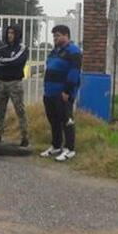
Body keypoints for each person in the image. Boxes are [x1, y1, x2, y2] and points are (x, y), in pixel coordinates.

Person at [41, 25, 82, 162]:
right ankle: (56, 145)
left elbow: (74, 73)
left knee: (66, 120)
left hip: (63, 93)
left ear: (66, 35)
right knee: (54, 120)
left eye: (58, 35)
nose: (55, 38)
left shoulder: (73, 51)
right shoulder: (55, 51)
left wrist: (67, 91)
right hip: (50, 93)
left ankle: (69, 149)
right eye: (54, 36)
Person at [0, 25, 29, 147]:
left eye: (12, 33)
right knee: (0, 110)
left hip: (15, 83)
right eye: (8, 33)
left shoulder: (22, 48)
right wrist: (7, 62)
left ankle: (24, 136)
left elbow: (17, 61)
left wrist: (5, 61)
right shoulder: (3, 48)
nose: (10, 35)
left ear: (17, 34)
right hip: (1, 82)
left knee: (20, 110)